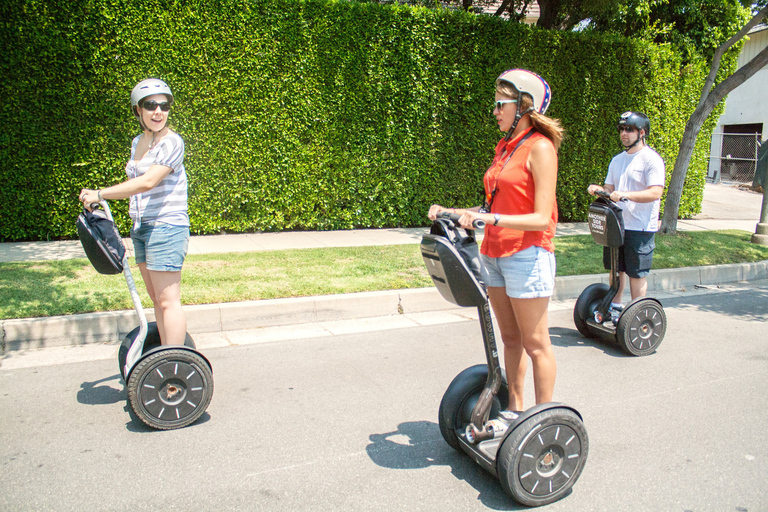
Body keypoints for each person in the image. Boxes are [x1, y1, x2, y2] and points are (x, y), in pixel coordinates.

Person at [428, 69, 563, 416]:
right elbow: (491, 208)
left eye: (501, 104)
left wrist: (490, 220)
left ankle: (542, 422)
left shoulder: (541, 148)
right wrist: (453, 211)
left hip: (527, 255)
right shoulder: (505, 148)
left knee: (536, 344)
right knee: (511, 339)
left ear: (523, 105)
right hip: (494, 253)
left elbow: (541, 216)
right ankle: (515, 412)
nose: (495, 111)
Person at [79, 78, 189, 346]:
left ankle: (174, 368)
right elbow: (136, 185)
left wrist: (101, 193)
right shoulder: (137, 142)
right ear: (137, 110)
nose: (158, 112)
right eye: (150, 105)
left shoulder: (172, 142)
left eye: (164, 105)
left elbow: (147, 182)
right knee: (157, 300)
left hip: (166, 227)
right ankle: (164, 356)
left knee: (168, 301)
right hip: (141, 228)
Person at [587, 111, 665, 321]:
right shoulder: (617, 160)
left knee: (636, 274)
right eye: (621, 129)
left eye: (629, 130)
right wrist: (599, 189)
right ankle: (614, 309)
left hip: (640, 227)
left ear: (641, 132)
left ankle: (637, 316)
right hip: (618, 225)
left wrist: (626, 195)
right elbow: (610, 188)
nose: (624, 133)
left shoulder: (651, 160)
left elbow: (656, 192)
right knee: (616, 270)